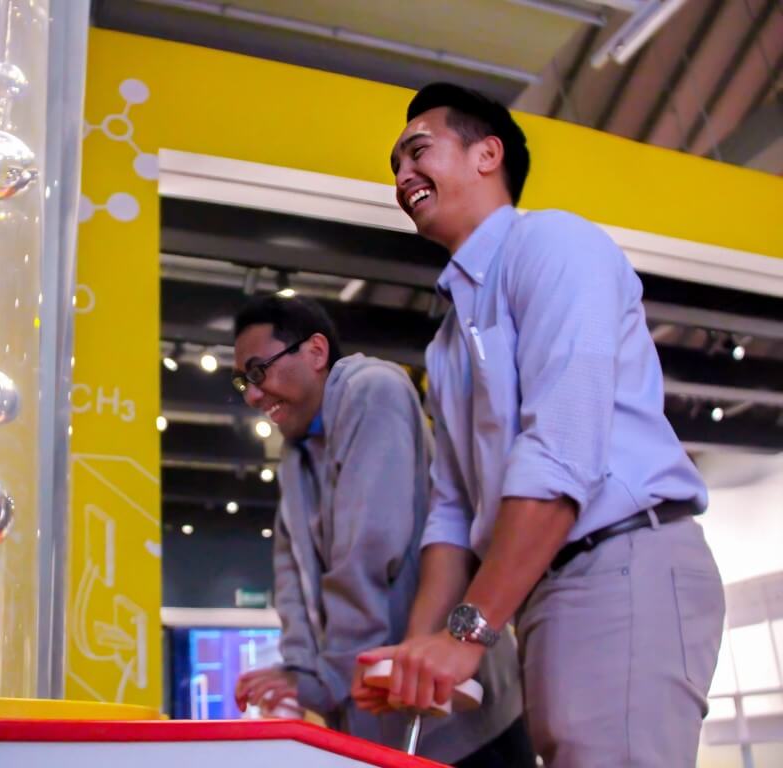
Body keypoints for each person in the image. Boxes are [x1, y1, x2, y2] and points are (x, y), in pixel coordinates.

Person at [352, 82, 726, 767]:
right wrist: (417, 647)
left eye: (417, 151)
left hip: (621, 562)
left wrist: (464, 635)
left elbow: (561, 453)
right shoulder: (446, 342)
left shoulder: (554, 245)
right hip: (540, 590)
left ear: (487, 153)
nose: (402, 176)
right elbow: (451, 512)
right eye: (394, 167)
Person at [229, 294, 533, 766]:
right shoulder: (296, 453)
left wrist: (325, 679)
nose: (251, 394)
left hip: (460, 722)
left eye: (257, 371)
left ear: (315, 351)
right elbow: (293, 580)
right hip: (380, 725)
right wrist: (297, 671)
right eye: (243, 381)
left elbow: (369, 553)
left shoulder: (371, 390)